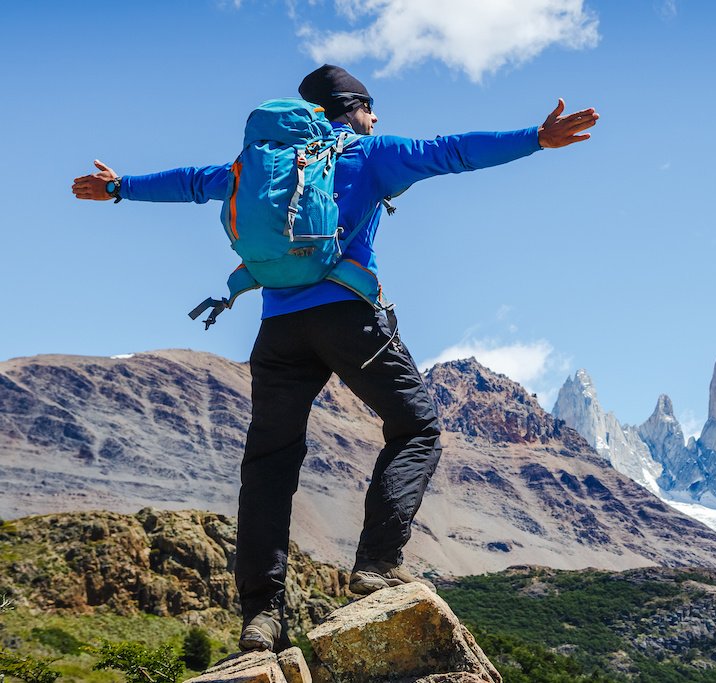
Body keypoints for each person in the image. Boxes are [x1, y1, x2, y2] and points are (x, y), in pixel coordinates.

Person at [70, 64, 598, 651]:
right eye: (371, 108)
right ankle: (375, 563)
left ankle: (261, 618)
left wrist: (120, 188)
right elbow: (451, 152)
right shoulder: (368, 154)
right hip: (349, 319)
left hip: (278, 330)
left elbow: (193, 182)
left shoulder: (256, 166)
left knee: (269, 464)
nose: (376, 120)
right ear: (350, 108)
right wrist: (535, 138)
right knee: (416, 428)